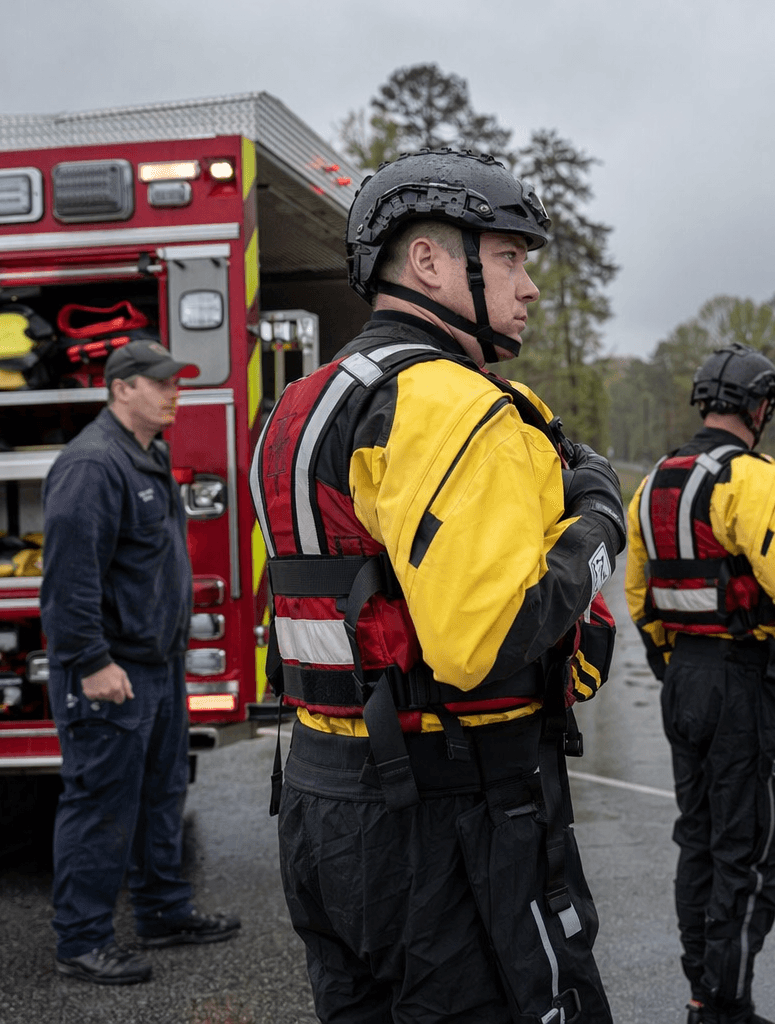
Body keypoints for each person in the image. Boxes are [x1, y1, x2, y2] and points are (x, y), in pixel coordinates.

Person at [253, 150, 624, 1024]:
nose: (529, 286)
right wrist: (600, 526)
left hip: (322, 807)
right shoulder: (458, 405)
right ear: (429, 262)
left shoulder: (296, 409)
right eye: (509, 258)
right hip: (455, 819)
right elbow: (485, 642)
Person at [625, 343, 775, 1024]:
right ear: (758, 406)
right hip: (747, 683)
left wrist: (674, 663)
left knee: (701, 840)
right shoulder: (758, 480)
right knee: (752, 847)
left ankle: (702, 992)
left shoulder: (654, 479)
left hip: (684, 677)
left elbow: (637, 597)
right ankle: (726, 1006)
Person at [42, 340, 240, 985]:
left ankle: (162, 911)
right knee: (100, 804)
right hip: (113, 672)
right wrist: (92, 662)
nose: (173, 391)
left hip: (155, 667)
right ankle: (82, 941)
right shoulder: (93, 465)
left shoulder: (144, 455)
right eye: (158, 383)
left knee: (161, 797)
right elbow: (69, 582)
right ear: (121, 388)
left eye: (175, 381)